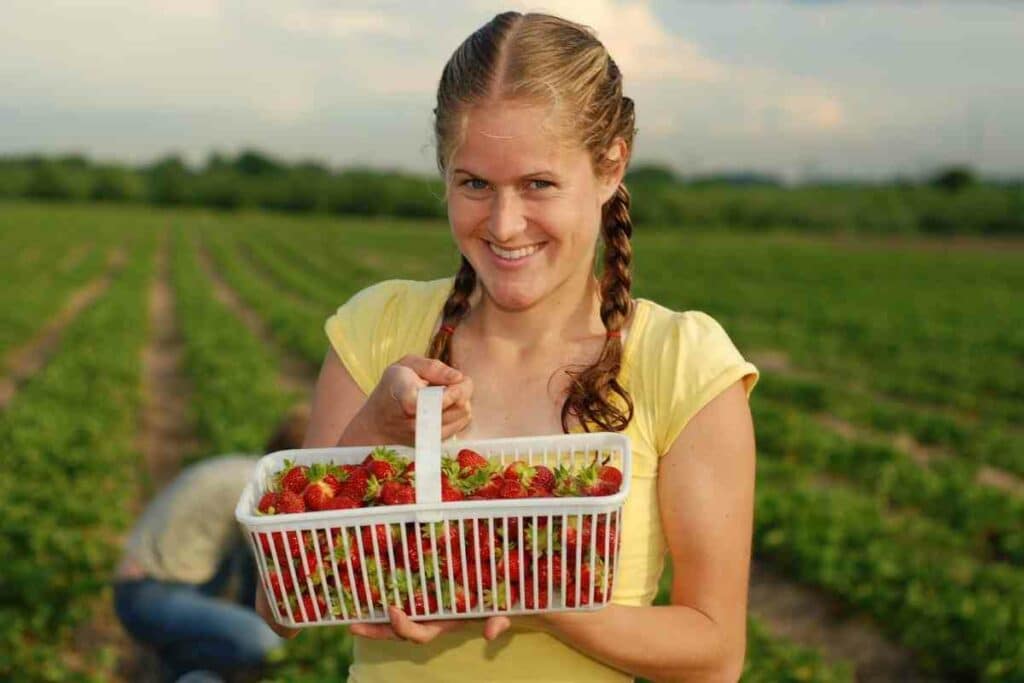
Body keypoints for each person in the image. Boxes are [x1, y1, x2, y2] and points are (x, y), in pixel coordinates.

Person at [259, 11, 759, 682]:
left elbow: (714, 652)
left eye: (538, 184)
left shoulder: (684, 362)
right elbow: (281, 601)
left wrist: (524, 586)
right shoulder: (376, 327)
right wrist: (371, 433)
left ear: (611, 166)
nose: (504, 223)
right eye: (474, 184)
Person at [115, 404, 310, 683]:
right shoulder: (257, 488)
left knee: (247, 578)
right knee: (264, 640)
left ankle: (181, 667)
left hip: (165, 585)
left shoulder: (242, 468)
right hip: (148, 594)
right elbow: (276, 569)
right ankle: (180, 670)